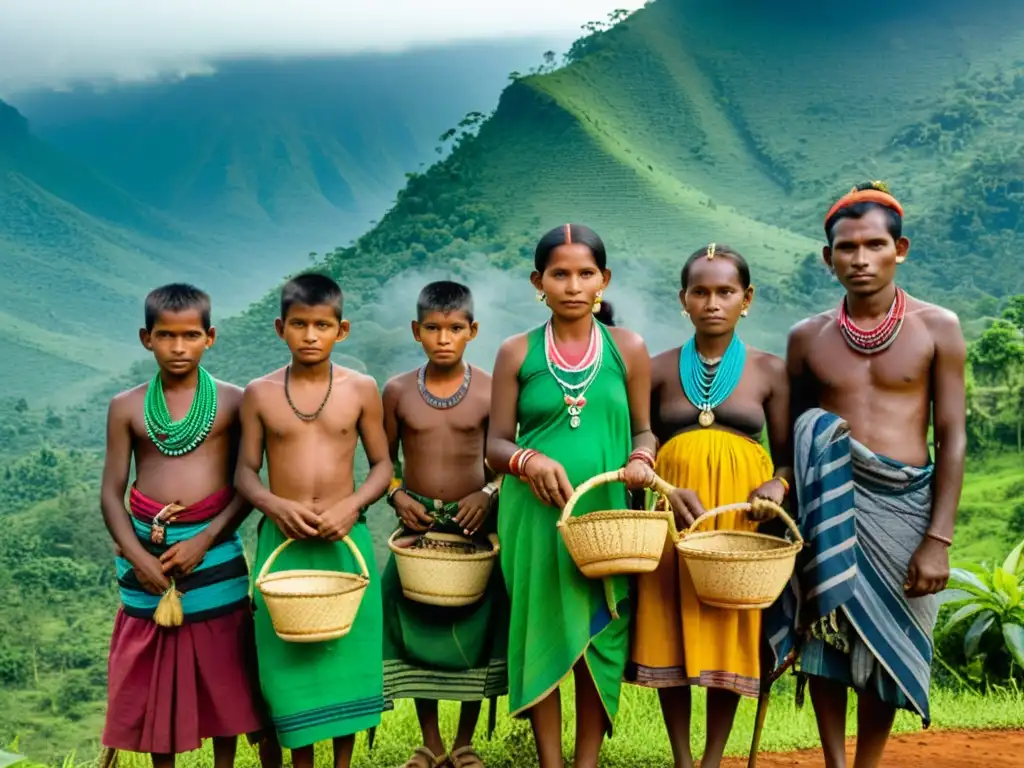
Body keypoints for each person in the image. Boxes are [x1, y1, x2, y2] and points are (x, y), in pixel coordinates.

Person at [768, 181, 967, 768]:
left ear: (899, 249)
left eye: (874, 245)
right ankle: (834, 762)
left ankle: (868, 763)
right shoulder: (807, 338)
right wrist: (786, 492)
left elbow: (953, 435)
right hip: (829, 504)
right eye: (846, 248)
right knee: (826, 634)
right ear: (827, 257)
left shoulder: (939, 328)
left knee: (889, 645)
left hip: (907, 506)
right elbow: (797, 433)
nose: (860, 259)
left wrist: (938, 539)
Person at [486, 223, 658, 768]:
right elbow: (493, 443)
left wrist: (640, 460)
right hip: (535, 519)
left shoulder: (626, 348)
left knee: (601, 635)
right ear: (539, 281)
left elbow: (644, 431)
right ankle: (549, 762)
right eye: (559, 274)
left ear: (604, 280)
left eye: (586, 273)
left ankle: (585, 762)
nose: (573, 285)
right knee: (544, 625)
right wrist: (527, 459)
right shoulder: (516, 352)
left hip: (606, 518)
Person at [626, 244, 793, 768]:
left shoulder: (770, 371)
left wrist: (777, 489)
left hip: (740, 517)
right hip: (672, 511)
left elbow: (788, 461)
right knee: (666, 619)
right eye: (701, 291)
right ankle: (681, 757)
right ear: (684, 299)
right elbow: (641, 437)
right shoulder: (653, 368)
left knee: (730, 625)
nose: (713, 302)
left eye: (726, 291)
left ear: (748, 299)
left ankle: (713, 759)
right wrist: (655, 477)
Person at [99, 283, 271, 768]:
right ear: (145, 338)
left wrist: (204, 538)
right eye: (166, 336)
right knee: (155, 671)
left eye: (190, 335)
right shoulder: (127, 407)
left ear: (210, 337)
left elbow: (247, 486)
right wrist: (136, 556)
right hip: (144, 551)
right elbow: (111, 492)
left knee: (223, 669)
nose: (178, 347)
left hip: (213, 551)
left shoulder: (237, 402)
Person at [235, 273, 393, 768]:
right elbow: (245, 473)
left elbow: (384, 466)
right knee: (289, 660)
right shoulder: (258, 394)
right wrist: (276, 506)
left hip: (346, 540)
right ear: (280, 327)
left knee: (347, 655)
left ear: (340, 330)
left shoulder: (362, 389)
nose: (309, 336)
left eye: (321, 325)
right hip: (284, 544)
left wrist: (352, 506)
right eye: (299, 324)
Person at [380, 280, 509, 768]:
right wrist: (395, 495)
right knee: (417, 627)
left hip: (475, 527)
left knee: (476, 631)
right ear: (417, 330)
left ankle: (464, 743)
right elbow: (381, 460)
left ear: (472, 330)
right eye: (432, 328)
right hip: (417, 532)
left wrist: (488, 493)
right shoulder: (395, 391)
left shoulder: (493, 390)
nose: (443, 338)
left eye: (455, 328)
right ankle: (430, 743)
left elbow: (503, 459)